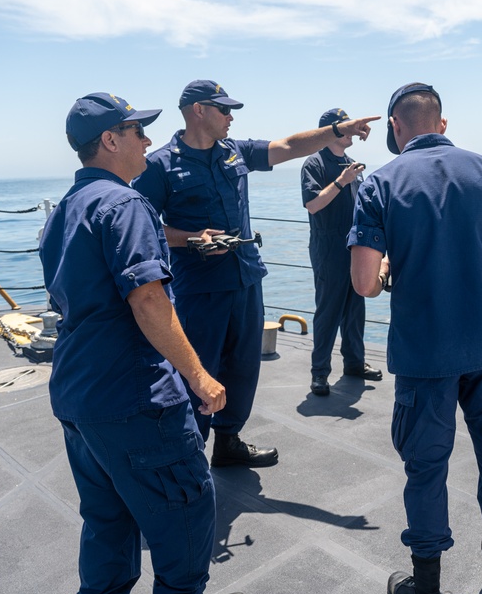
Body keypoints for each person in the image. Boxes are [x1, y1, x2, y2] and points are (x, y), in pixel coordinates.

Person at [41, 93, 248, 594]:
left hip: (78, 392)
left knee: (106, 513)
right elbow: (148, 298)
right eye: (137, 132)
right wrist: (199, 376)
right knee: (186, 502)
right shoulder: (126, 205)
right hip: (133, 394)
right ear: (110, 140)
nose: (148, 141)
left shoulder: (66, 208)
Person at [350, 83, 482, 594]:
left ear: (394, 126)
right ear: (443, 124)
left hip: (424, 352)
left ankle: (427, 593)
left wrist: (387, 275)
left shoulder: (379, 184)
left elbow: (363, 282)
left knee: (426, 468)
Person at [135, 80, 379, 468]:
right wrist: (191, 238)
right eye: (224, 110)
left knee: (243, 365)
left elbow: (287, 147)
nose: (232, 117)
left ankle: (228, 441)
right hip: (200, 287)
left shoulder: (235, 152)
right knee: (199, 368)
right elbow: (143, 225)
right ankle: (188, 453)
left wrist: (336, 131)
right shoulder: (160, 165)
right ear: (198, 110)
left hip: (246, 278)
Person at [301, 108, 383, 396]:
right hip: (328, 248)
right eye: (345, 127)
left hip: (354, 246)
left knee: (355, 308)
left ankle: (354, 363)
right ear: (330, 131)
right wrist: (341, 182)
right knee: (328, 310)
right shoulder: (314, 164)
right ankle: (319, 373)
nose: (351, 131)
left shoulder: (351, 164)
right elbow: (312, 205)